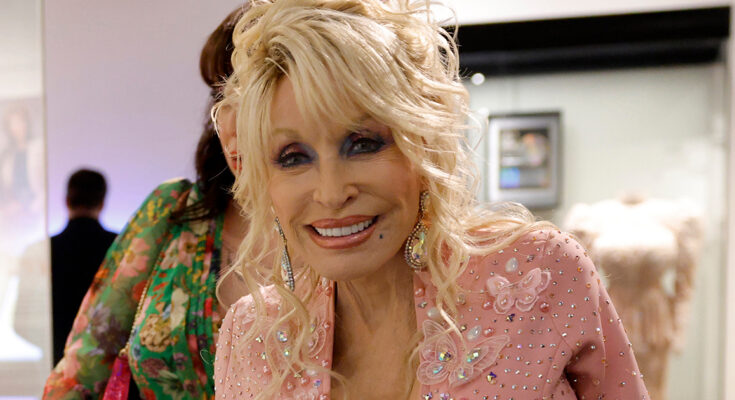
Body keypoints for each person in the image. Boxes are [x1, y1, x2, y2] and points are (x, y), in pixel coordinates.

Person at [212, 0, 650, 399]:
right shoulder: (249, 336)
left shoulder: (537, 272)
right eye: (293, 157)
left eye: (363, 144)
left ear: (423, 143)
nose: (331, 193)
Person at [43, 6, 252, 399]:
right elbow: (81, 370)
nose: (235, 121)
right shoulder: (173, 211)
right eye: (225, 95)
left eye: (258, 95)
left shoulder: (335, 225)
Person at [50, 169, 118, 365]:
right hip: (106, 363)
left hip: (58, 361)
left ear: (66, 201)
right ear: (102, 203)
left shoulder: (44, 250)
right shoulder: (121, 248)